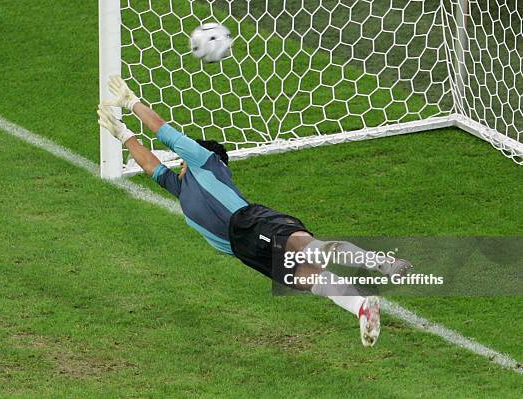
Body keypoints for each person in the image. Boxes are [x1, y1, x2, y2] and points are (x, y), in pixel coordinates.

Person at [97, 75, 412, 347]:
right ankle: (362, 307)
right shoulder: (181, 188)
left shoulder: (205, 161)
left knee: (311, 250)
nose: (178, 161)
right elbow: (151, 165)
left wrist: (132, 102)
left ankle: (382, 264)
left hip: (249, 222)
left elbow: (166, 133)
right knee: (311, 279)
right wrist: (124, 135)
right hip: (244, 250)